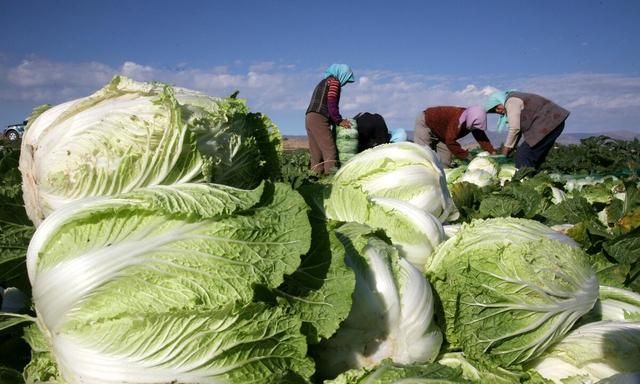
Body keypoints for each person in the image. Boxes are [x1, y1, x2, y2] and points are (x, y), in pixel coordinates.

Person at [484, 90, 569, 170]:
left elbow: (514, 129)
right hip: (554, 123)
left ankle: (523, 180)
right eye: (495, 111)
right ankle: (532, 178)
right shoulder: (514, 99)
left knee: (523, 155)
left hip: (548, 123)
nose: (498, 111)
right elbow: (518, 132)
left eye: (497, 107)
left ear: (501, 101)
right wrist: (510, 149)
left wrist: (504, 152)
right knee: (534, 156)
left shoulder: (511, 102)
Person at [305, 64, 355, 174]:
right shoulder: (334, 82)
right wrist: (339, 120)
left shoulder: (323, 82)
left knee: (316, 154)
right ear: (342, 75)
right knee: (330, 152)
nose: (345, 83)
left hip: (310, 117)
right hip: (319, 117)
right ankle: (330, 181)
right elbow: (331, 103)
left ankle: (314, 181)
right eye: (346, 79)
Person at [414, 105, 496, 167]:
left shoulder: (474, 119)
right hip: (426, 123)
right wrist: (466, 156)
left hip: (442, 133)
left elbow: (481, 137)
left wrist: (491, 151)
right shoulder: (457, 120)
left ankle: (442, 181)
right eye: (473, 126)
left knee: (446, 160)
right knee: (424, 154)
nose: (474, 128)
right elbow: (450, 142)